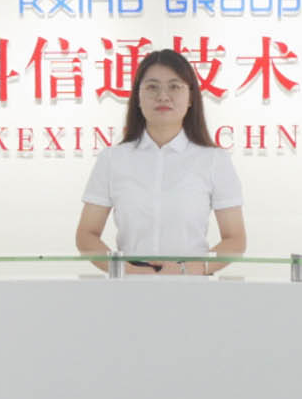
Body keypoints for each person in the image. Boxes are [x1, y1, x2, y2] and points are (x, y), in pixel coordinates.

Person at [75, 49, 246, 275]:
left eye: (174, 86)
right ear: (137, 97)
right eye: (152, 87)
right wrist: (126, 270)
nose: (163, 96)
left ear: (191, 97)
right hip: (129, 284)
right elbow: (86, 235)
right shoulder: (112, 159)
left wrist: (189, 269)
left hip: (192, 284)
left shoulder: (214, 160)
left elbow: (235, 239)